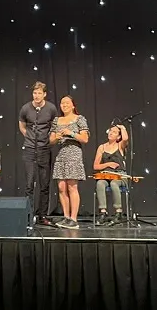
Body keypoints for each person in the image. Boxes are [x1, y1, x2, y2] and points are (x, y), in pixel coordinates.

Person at [18, 81, 58, 226]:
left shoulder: (51, 108)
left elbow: (55, 126)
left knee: (44, 184)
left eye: (39, 93)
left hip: (44, 149)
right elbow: (22, 125)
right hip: (29, 149)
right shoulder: (26, 108)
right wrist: (28, 136)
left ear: (44, 94)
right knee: (29, 184)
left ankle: (42, 215)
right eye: (35, 93)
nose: (36, 95)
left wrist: (49, 138)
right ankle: (29, 215)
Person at [50, 95, 89, 229]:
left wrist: (71, 133)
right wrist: (57, 137)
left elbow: (85, 139)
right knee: (61, 187)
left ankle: (74, 218)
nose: (64, 105)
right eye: (62, 103)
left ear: (73, 105)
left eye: (67, 103)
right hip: (61, 154)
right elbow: (51, 140)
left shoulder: (79, 119)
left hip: (74, 153)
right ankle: (66, 217)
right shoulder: (57, 120)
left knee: (72, 186)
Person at [93, 124, 129, 224]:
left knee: (114, 183)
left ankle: (118, 212)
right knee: (100, 183)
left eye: (114, 132)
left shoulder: (120, 145)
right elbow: (95, 166)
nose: (111, 133)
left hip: (120, 176)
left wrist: (122, 128)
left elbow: (125, 138)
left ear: (118, 136)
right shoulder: (102, 147)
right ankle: (103, 213)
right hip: (106, 175)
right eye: (110, 131)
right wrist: (108, 164)